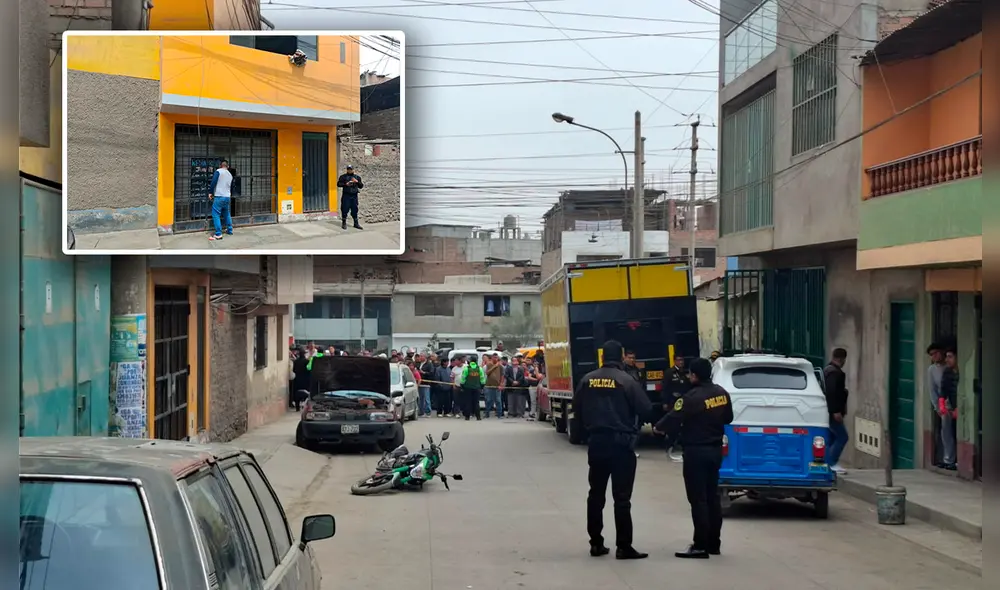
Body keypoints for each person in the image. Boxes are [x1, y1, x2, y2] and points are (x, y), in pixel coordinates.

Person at [572, 340, 652, 560]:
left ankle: (596, 543)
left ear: (602, 357)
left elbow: (576, 411)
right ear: (621, 356)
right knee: (622, 498)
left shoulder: (587, 380)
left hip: (597, 444)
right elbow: (646, 410)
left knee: (595, 495)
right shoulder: (627, 381)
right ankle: (624, 546)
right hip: (621, 445)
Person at [653, 357, 733, 559]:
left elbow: (674, 417)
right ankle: (714, 543)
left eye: (690, 374)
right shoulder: (722, 394)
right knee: (712, 497)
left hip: (696, 452)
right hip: (715, 452)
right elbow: (728, 418)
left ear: (694, 375)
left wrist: (658, 428)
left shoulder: (691, 397)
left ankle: (700, 545)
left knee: (698, 500)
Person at [823, 348, 849, 474]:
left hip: (828, 411)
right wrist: (836, 411)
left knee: (832, 438)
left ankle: (826, 461)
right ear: (842, 359)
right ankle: (831, 463)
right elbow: (832, 393)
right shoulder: (835, 373)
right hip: (832, 412)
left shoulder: (827, 369)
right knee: (842, 437)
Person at [938, 348, 960, 470]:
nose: (947, 360)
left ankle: (958, 460)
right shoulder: (947, 372)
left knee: (958, 432)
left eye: (950, 356)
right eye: (946, 357)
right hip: (950, 404)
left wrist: (958, 407)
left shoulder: (962, 371)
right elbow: (943, 388)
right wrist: (941, 403)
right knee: (946, 430)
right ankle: (948, 459)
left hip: (960, 405)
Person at [207, 159, 234, 241]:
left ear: (220, 166)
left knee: (215, 214)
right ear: (227, 166)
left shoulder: (218, 171)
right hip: (227, 197)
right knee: (226, 213)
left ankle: (218, 234)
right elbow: (231, 187)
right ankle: (229, 230)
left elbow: (213, 182)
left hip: (219, 196)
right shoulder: (230, 175)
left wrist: (210, 192)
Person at [336, 164, 364, 230]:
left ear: (353, 170)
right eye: (348, 169)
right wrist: (346, 184)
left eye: (351, 169)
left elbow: (361, 186)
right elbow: (338, 184)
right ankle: (344, 223)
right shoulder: (343, 177)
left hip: (354, 196)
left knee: (355, 209)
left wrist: (356, 182)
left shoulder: (357, 177)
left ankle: (356, 223)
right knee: (344, 209)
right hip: (346, 195)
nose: (349, 170)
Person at [458, 356, 486, 420]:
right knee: (476, 402)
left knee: (468, 402)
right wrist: (482, 386)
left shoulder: (466, 368)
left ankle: (467, 417)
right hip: (477, 388)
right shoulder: (480, 369)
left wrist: (462, 385)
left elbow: (463, 378)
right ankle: (478, 417)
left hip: (467, 387)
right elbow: (482, 379)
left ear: (470, 361)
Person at [484, 353, 505, 418]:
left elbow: (502, 375)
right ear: (492, 358)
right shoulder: (489, 364)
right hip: (489, 385)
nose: (495, 358)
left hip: (497, 386)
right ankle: (487, 414)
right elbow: (487, 373)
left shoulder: (501, 366)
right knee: (488, 400)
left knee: (498, 400)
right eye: (494, 357)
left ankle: (499, 414)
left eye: (496, 357)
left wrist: (501, 384)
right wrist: (494, 366)